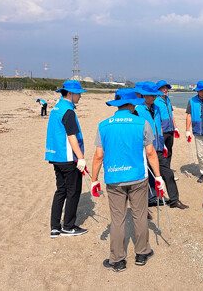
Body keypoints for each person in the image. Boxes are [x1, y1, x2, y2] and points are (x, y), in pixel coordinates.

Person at [90, 88, 167, 272]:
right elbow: (150, 152)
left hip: (114, 178)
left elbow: (98, 156)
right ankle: (142, 253)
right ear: (133, 104)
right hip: (138, 177)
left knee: (117, 219)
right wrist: (158, 177)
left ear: (117, 104)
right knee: (139, 215)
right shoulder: (142, 123)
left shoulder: (104, 125)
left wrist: (94, 180)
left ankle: (117, 260)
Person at [44, 80, 88, 238]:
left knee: (60, 190)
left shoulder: (57, 107)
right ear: (70, 93)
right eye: (78, 93)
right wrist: (81, 158)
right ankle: (68, 226)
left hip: (56, 156)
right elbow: (71, 137)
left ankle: (55, 227)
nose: (80, 96)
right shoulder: (68, 111)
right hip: (68, 158)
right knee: (73, 191)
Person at [135, 82, 188, 209]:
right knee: (144, 177)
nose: (153, 97)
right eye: (151, 95)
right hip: (144, 148)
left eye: (155, 95)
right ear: (143, 95)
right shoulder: (137, 109)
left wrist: (163, 144)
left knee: (168, 173)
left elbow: (159, 127)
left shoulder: (156, 108)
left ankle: (174, 200)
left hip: (157, 147)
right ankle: (146, 203)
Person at [154, 80, 180, 168]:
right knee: (161, 152)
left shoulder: (168, 100)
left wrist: (175, 128)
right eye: (163, 88)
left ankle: (167, 170)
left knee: (169, 151)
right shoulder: (156, 101)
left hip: (170, 130)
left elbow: (171, 115)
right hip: (162, 131)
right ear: (158, 89)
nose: (165, 90)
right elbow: (155, 118)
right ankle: (161, 171)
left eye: (166, 88)